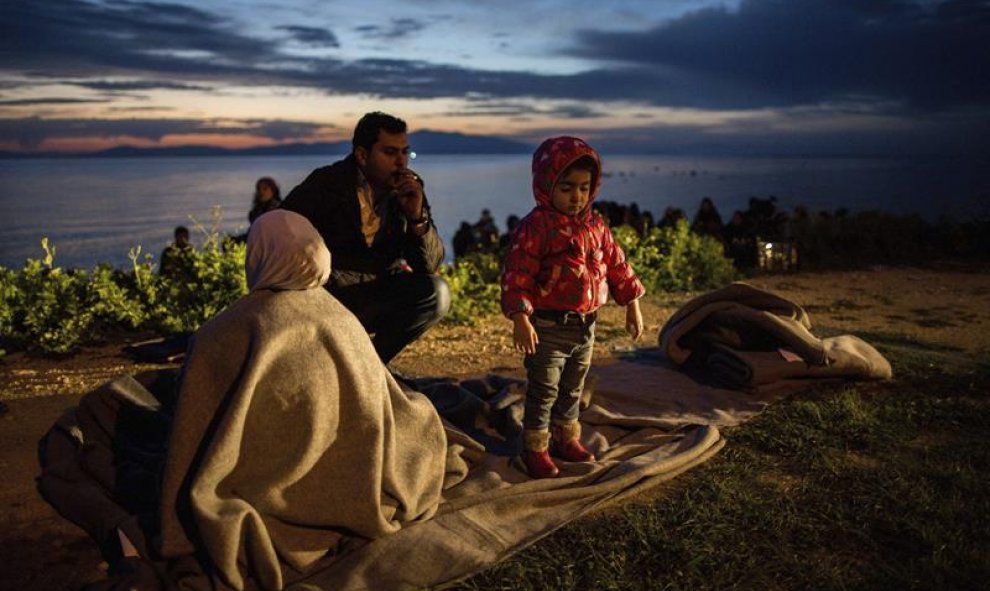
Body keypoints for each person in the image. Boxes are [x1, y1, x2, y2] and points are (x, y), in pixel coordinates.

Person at [501, 136, 645, 479]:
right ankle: (534, 445)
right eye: (566, 188)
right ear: (546, 185)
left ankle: (566, 437)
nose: (576, 197)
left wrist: (633, 304)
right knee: (545, 387)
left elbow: (618, 265)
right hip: (548, 327)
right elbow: (517, 273)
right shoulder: (536, 227)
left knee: (573, 386)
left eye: (584, 188)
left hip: (586, 325)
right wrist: (521, 317)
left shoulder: (597, 226)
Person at [281, 111, 450, 363]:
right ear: (362, 155)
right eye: (390, 153)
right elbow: (280, 234)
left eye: (405, 152)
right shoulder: (325, 184)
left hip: (376, 293)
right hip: (325, 296)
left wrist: (417, 217)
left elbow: (428, 265)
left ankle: (371, 367)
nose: (401, 162)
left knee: (437, 293)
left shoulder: (409, 190)